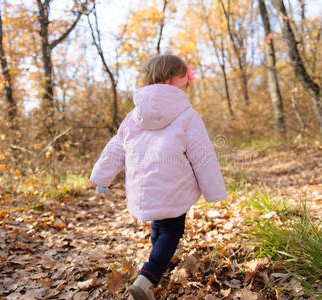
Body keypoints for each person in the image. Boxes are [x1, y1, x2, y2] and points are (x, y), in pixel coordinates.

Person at [90, 54, 226, 300]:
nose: (187, 82)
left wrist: (102, 178)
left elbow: (115, 148)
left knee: (158, 227)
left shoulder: (133, 116)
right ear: (171, 79)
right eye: (184, 78)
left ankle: (158, 261)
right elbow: (202, 155)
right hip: (174, 186)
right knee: (171, 232)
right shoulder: (187, 115)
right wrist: (214, 191)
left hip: (144, 186)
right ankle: (147, 278)